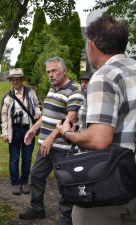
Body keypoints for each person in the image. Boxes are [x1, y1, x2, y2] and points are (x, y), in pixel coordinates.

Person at [57, 15, 136, 225]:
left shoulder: (105, 76)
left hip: (109, 186)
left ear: (91, 45)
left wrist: (67, 133)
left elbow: (99, 140)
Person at [18, 57, 84, 225]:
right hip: (46, 145)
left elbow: (70, 120)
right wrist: (33, 130)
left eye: (54, 71)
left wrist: (51, 137)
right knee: (37, 175)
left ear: (64, 70)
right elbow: (47, 116)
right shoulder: (52, 89)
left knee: (65, 182)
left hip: (62, 147)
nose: (51, 75)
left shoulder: (74, 91)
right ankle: (37, 209)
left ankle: (67, 217)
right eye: (48, 72)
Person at [0, 68, 42, 195]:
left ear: (22, 80)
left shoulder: (31, 93)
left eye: (18, 79)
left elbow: (38, 105)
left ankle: (24, 182)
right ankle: (15, 183)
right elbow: (3, 115)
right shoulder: (8, 97)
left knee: (27, 158)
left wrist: (37, 113)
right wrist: (5, 132)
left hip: (29, 129)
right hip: (15, 130)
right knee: (14, 158)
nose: (16, 81)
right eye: (13, 79)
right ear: (11, 80)